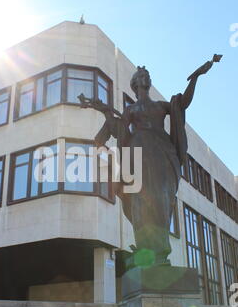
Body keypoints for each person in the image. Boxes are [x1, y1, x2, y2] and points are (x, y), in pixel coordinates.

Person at [79, 55, 221, 266]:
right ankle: (147, 248)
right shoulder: (129, 110)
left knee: (163, 199)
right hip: (139, 155)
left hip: (163, 154)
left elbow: (183, 104)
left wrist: (196, 76)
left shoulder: (162, 105)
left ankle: (161, 251)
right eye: (141, 76)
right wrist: (105, 112)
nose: (144, 77)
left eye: (147, 75)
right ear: (136, 84)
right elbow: (120, 129)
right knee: (140, 199)